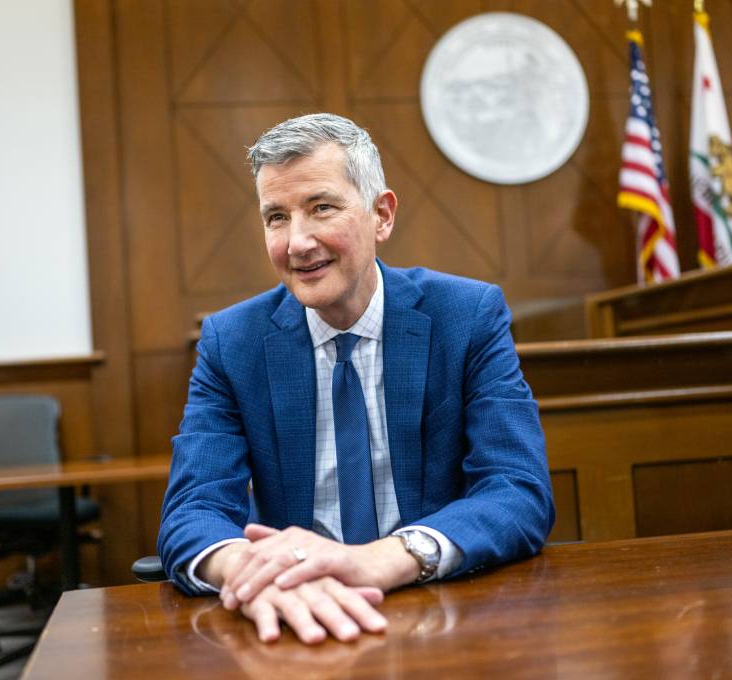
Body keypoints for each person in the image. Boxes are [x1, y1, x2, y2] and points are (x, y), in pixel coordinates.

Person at [158, 113, 554, 645]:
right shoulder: (233, 342)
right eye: (276, 217)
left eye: (321, 208)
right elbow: (193, 509)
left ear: (381, 215)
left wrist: (385, 559)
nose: (297, 242)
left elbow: (518, 489)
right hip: (298, 620)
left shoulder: (466, 316)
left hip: (443, 615)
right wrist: (245, 571)